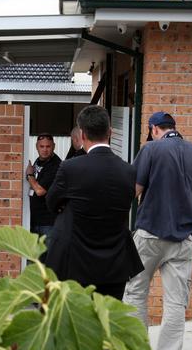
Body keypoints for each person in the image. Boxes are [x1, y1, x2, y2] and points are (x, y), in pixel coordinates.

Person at [123, 111, 192, 350]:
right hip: (183, 238)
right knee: (175, 303)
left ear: (154, 129)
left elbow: (134, 189)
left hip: (150, 233)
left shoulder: (151, 150)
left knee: (135, 292)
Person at [45, 105, 143, 300]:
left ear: (81, 135)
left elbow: (51, 203)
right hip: (115, 264)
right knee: (106, 323)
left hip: (76, 263)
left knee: (76, 323)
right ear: (110, 133)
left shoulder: (71, 168)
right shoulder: (128, 171)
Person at [25, 133, 62, 242]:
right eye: (42, 146)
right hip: (35, 219)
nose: (44, 150)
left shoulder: (56, 165)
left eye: (48, 146)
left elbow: (40, 191)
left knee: (46, 257)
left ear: (53, 146)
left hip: (48, 222)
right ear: (37, 146)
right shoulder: (39, 161)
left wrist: (30, 175)